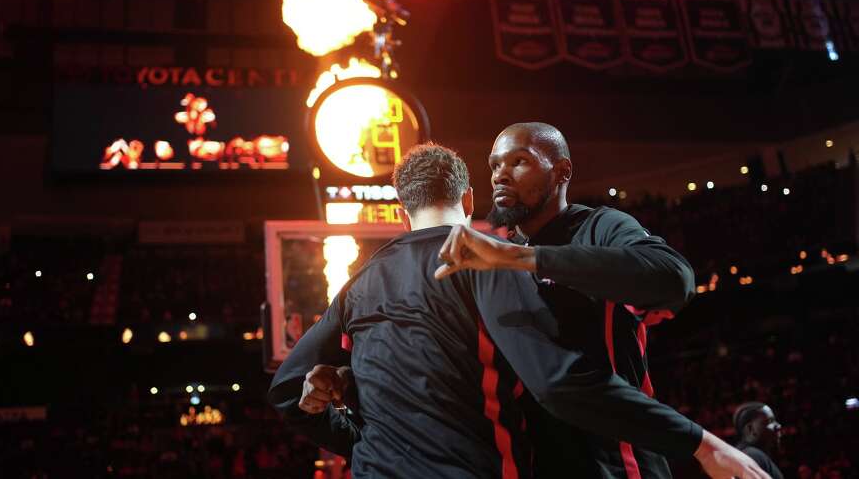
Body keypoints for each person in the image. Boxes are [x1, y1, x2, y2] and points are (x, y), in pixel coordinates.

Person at [269, 143, 765, 478]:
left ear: (402, 208)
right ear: (468, 198)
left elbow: (289, 390)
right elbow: (556, 381)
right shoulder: (487, 255)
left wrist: (363, 442)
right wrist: (702, 443)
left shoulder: (359, 282)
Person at [436, 122, 696, 478]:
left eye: (519, 161)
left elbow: (674, 278)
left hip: (617, 463)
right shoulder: (495, 252)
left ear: (562, 172)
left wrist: (523, 259)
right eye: (495, 165)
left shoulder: (601, 227)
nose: (500, 176)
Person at [734, 402, 784, 479]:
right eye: (770, 421)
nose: (778, 426)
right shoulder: (752, 456)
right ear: (750, 428)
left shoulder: (744, 455)